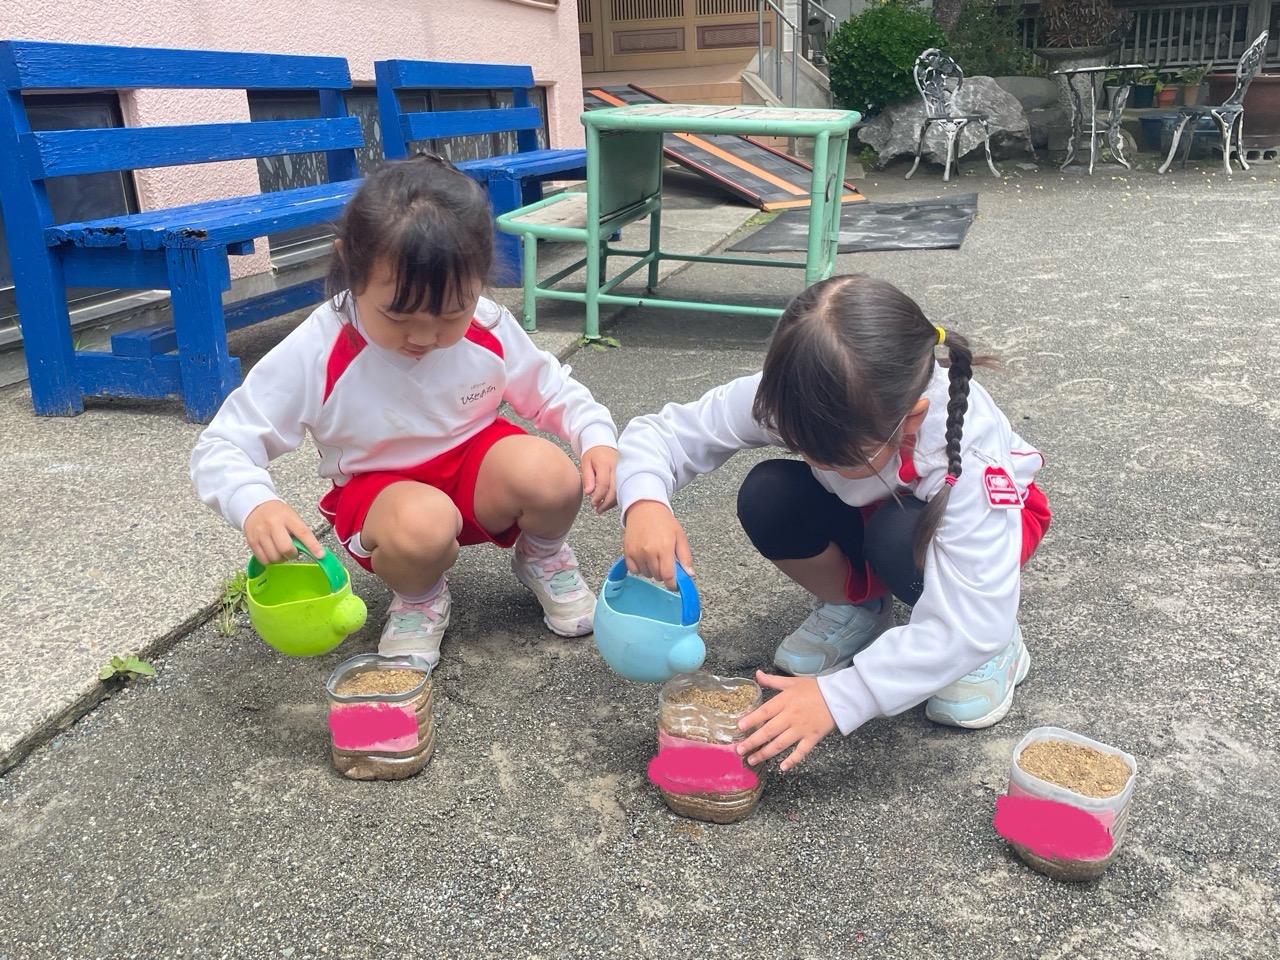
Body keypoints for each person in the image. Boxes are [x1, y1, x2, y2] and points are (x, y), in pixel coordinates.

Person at [192, 155, 619, 665]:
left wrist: (594, 434)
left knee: (553, 476)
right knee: (422, 523)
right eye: (398, 315)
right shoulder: (320, 348)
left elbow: (550, 390)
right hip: (383, 495)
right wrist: (254, 503)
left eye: (451, 313)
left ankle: (542, 557)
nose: (424, 336)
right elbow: (224, 443)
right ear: (351, 267)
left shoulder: (486, 325)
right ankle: (420, 598)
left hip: (475, 469)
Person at [618, 274, 1050, 772]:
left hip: (986, 535)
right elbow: (667, 434)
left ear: (911, 419)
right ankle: (860, 607)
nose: (813, 460)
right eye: (801, 445)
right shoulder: (793, 393)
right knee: (769, 494)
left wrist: (842, 695)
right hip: (870, 508)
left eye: (836, 454)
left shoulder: (970, 458)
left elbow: (975, 615)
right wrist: (645, 501)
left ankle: (995, 648)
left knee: (901, 538)